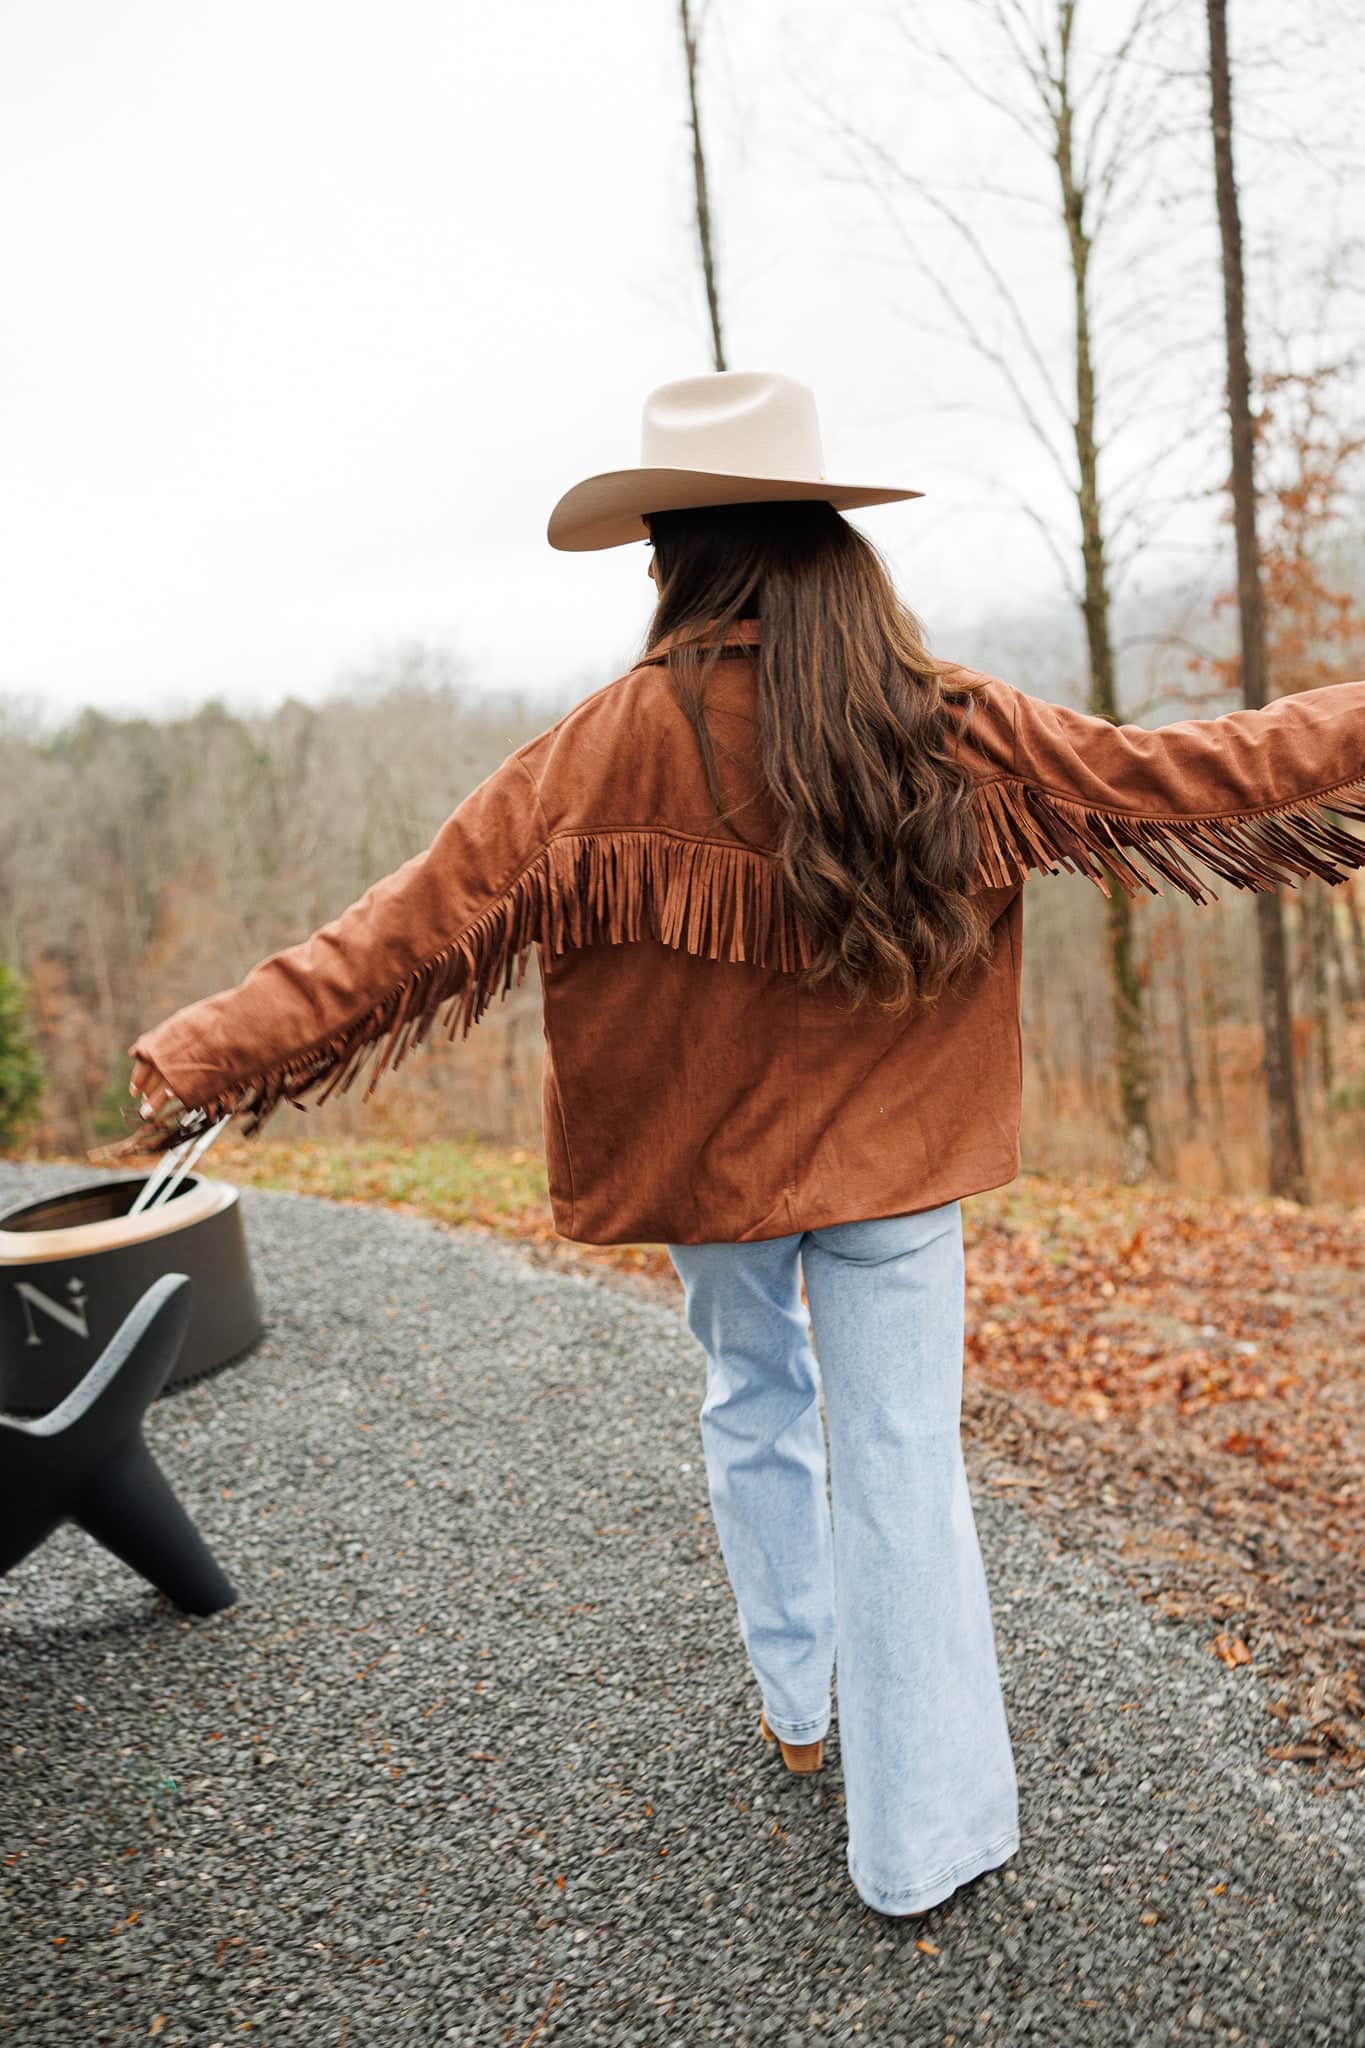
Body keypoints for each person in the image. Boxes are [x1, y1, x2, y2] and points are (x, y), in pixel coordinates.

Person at [110, 369, 1365, 1919]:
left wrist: (201, 1057)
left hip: (711, 1172)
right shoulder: (946, 721)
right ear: (828, 539)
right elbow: (1204, 772)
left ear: (675, 558)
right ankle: (921, 1844)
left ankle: (798, 1701)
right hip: (897, 1169)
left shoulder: (600, 748)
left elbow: (392, 937)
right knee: (902, 1462)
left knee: (750, 1396)